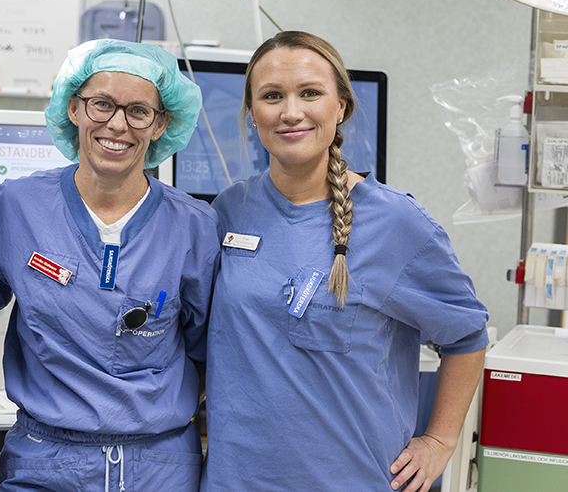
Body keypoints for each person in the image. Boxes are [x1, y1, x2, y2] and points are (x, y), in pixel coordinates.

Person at [201, 30, 489, 492]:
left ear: (342, 107)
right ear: (253, 115)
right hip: (238, 480)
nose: (291, 112)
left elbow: (467, 336)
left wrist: (439, 441)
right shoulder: (228, 211)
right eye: (272, 96)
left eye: (310, 93)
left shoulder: (396, 224)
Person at [0, 39, 218, 492]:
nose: (117, 125)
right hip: (43, 463)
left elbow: (212, 354)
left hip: (160, 467)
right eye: (101, 105)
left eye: (138, 111)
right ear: (73, 108)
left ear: (161, 123)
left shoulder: (194, 228)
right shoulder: (16, 209)